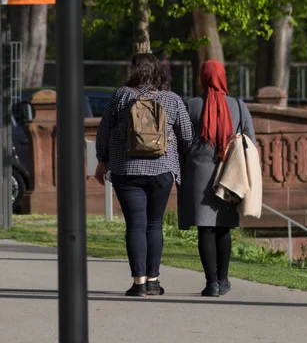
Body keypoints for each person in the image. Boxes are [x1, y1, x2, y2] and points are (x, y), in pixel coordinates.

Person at [94, 52, 194, 297]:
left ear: (133, 71)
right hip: (162, 169)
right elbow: (188, 136)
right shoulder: (171, 99)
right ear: (158, 71)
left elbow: (104, 130)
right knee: (154, 224)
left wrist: (101, 160)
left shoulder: (122, 95)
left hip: (126, 169)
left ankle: (138, 283)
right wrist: (178, 162)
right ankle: (153, 280)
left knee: (135, 225)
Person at [178, 59, 256, 297]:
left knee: (205, 230)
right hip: (228, 174)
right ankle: (223, 280)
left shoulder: (190, 106)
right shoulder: (239, 106)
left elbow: (181, 142)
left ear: (203, 77)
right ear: (223, 77)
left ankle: (211, 283)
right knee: (224, 229)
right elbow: (250, 141)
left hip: (198, 175)